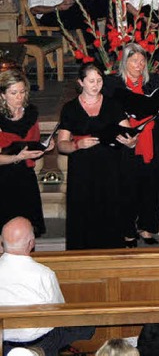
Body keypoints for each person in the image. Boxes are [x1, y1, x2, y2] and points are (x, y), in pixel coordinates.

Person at [57, 63, 136, 250]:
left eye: (99, 80)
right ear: (81, 82)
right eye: (91, 81)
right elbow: (62, 144)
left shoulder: (112, 104)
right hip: (82, 171)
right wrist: (77, 144)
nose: (96, 84)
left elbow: (130, 136)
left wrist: (130, 142)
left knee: (110, 212)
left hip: (110, 170)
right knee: (83, 215)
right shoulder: (70, 108)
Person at [0, 217, 95, 356]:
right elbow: (59, 311)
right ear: (31, 243)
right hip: (40, 343)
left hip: (3, 341)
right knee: (87, 324)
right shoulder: (43, 274)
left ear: (2, 242)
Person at [104, 43, 159, 247]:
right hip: (127, 143)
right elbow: (108, 112)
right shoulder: (114, 85)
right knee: (128, 190)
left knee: (151, 188)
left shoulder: (153, 82)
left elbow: (157, 109)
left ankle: (147, 228)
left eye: (142, 61)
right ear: (125, 62)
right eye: (134, 61)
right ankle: (128, 232)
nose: (139, 65)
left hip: (151, 141)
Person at [0, 70, 50, 236]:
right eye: (13, 93)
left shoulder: (30, 113)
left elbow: (33, 141)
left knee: (27, 230)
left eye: (22, 92)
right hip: (3, 178)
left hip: (25, 176)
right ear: (3, 95)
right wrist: (17, 157)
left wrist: (44, 146)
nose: (19, 97)